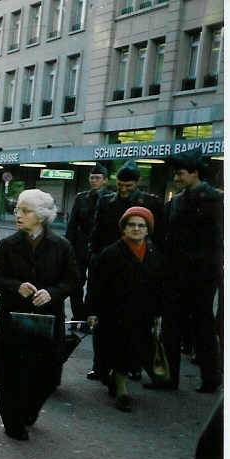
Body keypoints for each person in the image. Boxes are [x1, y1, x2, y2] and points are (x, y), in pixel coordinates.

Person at [0, 189, 78, 440]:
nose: (18, 214)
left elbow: (72, 280)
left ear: (41, 216)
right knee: (10, 375)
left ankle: (29, 412)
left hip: (48, 319)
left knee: (46, 375)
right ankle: (12, 423)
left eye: (25, 211)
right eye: (18, 209)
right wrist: (16, 286)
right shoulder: (7, 245)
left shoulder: (62, 246)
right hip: (13, 318)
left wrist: (52, 293)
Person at [86, 159, 163, 382]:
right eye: (120, 185)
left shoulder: (151, 203)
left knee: (137, 322)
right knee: (103, 320)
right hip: (109, 266)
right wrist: (94, 259)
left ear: (137, 183)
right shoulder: (106, 201)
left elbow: (158, 237)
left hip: (138, 269)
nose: (123, 190)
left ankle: (133, 366)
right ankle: (100, 366)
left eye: (128, 186)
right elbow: (96, 233)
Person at [86, 207, 167, 411]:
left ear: (148, 230)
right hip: (114, 314)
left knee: (133, 351)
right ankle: (119, 388)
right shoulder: (111, 253)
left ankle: (118, 383)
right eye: (131, 225)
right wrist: (92, 312)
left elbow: (160, 286)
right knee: (115, 350)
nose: (136, 229)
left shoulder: (154, 254)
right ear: (124, 228)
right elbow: (96, 285)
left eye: (141, 225)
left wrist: (159, 313)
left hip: (143, 314)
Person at [157, 148, 222, 394]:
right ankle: (168, 377)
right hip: (176, 275)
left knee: (202, 327)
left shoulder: (215, 200)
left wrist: (206, 268)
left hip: (202, 276)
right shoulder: (176, 201)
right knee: (170, 327)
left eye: (181, 173)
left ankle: (211, 378)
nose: (177, 178)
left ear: (195, 173)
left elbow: (219, 240)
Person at [65, 163, 113, 323]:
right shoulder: (81, 198)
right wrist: (68, 247)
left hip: (100, 249)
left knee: (95, 285)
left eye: (98, 178)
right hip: (80, 248)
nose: (94, 181)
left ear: (105, 180)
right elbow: (72, 224)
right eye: (92, 178)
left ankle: (89, 318)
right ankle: (78, 316)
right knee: (76, 283)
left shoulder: (111, 198)